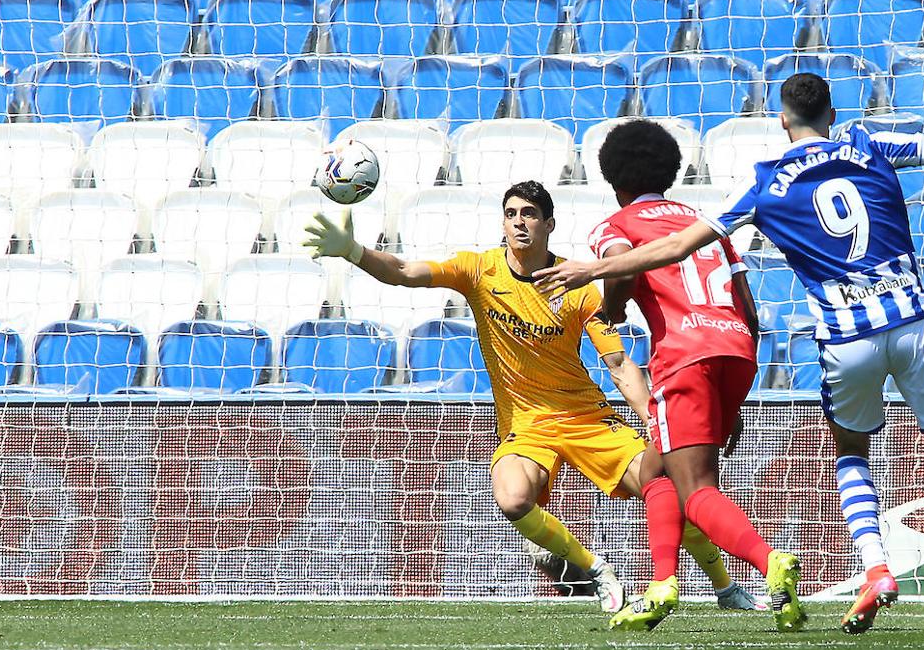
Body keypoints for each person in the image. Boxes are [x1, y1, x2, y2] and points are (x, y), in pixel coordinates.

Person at [535, 73, 924, 633]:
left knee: (850, 454)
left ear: (782, 120)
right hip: (910, 319)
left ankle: (876, 570)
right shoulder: (870, 143)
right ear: (833, 114)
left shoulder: (764, 184)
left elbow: (672, 247)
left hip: (846, 337)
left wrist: (591, 268)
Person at [303, 180, 758, 613]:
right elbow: (404, 272)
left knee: (672, 487)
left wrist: (653, 417)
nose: (519, 222)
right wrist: (355, 252)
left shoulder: (577, 289)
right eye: (511, 214)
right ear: (503, 224)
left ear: (549, 224)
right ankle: (597, 572)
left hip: (588, 419)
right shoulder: (478, 271)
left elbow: (619, 365)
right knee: (512, 497)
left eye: (530, 214)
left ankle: (725, 585)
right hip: (527, 427)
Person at [585, 119, 806, 633]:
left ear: (610, 177)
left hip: (684, 354)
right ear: (671, 171)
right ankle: (661, 586)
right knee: (656, 469)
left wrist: (613, 310)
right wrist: (737, 396)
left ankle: (769, 561)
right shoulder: (705, 221)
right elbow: (748, 306)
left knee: (696, 490)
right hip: (736, 349)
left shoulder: (614, 226)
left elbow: (620, 271)